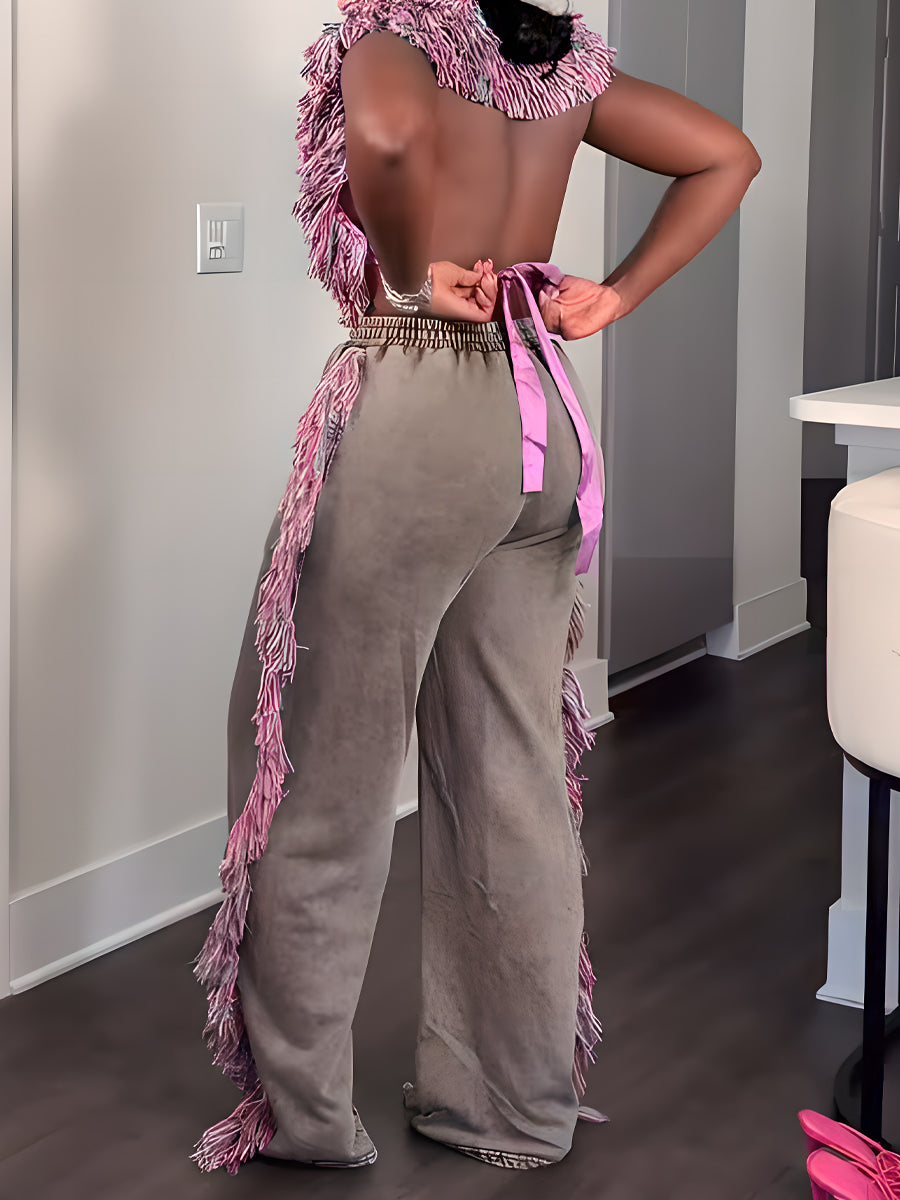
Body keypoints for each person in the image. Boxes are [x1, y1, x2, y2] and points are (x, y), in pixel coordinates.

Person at [191, 0, 761, 1176]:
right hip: (540, 413)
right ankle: (515, 1109)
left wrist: (407, 275)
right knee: (514, 777)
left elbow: (390, 135)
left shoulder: (391, 31)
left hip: (419, 408)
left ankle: (305, 1120)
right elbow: (726, 154)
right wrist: (617, 293)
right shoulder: (560, 60)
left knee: (320, 776)